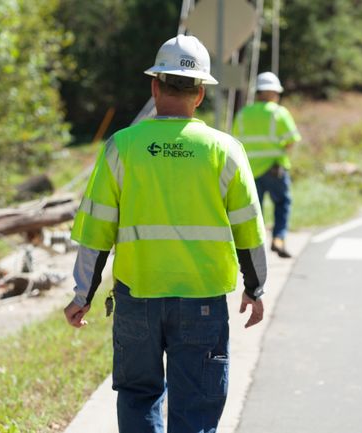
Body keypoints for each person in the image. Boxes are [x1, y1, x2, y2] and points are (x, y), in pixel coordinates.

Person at [63, 35, 267, 433]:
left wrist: (81, 296)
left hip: (137, 298)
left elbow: (96, 231)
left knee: (139, 395)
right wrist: (255, 288)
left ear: (155, 85)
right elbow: (250, 230)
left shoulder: (121, 147)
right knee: (196, 405)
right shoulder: (225, 149)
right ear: (201, 93)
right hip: (202, 301)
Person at [232, 72, 302, 258]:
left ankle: (256, 248)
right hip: (274, 169)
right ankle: (278, 239)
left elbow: (234, 143)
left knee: (255, 211)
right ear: (272, 93)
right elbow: (291, 140)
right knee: (282, 202)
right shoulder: (279, 112)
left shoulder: (243, 114)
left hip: (249, 171)